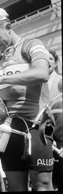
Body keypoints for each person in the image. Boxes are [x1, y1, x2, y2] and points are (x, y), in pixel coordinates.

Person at [0, 8, 53, 191]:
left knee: (42, 186)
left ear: (8, 27)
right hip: (8, 131)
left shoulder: (31, 44)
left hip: (35, 127)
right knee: (16, 189)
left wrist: (1, 79)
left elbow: (42, 73)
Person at [48, 49, 63, 191]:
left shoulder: (60, 80)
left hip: (59, 131)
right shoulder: (36, 82)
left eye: (51, 59)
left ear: (56, 62)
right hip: (44, 131)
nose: (47, 62)